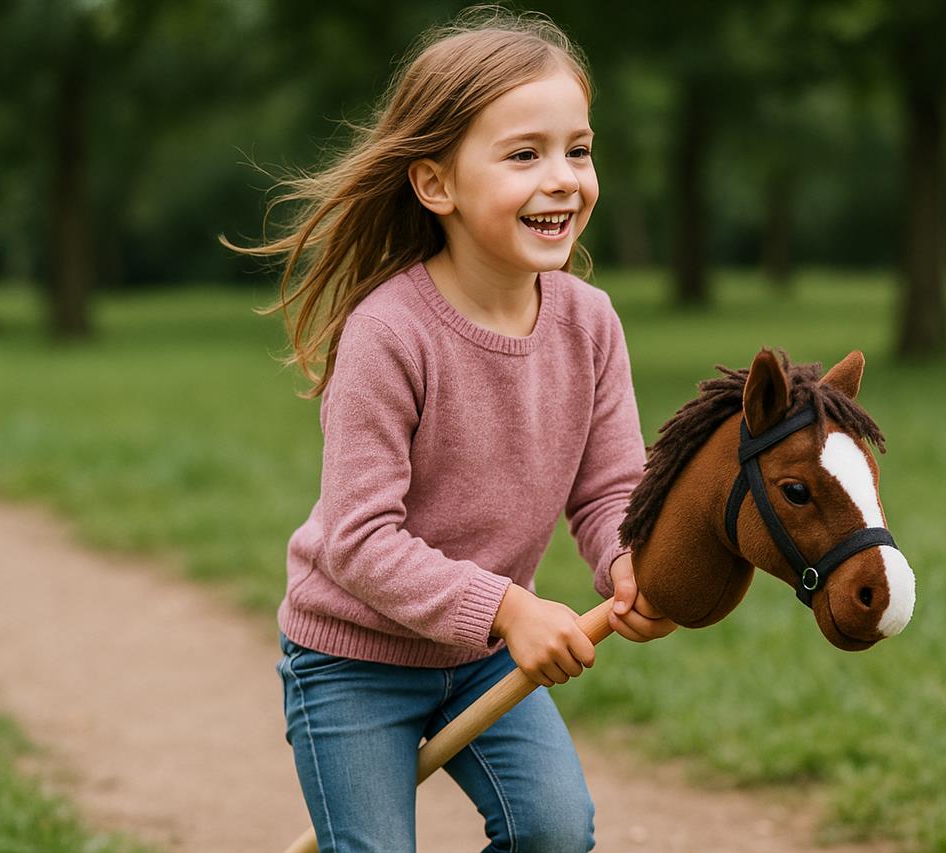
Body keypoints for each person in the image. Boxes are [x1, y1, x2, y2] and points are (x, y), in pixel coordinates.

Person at [231, 8, 678, 852]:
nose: (563, 178)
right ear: (436, 184)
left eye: (577, 149)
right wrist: (509, 608)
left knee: (553, 830)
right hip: (353, 663)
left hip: (478, 655)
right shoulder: (390, 332)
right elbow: (360, 541)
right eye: (523, 154)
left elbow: (611, 485)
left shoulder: (591, 322)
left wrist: (626, 561)